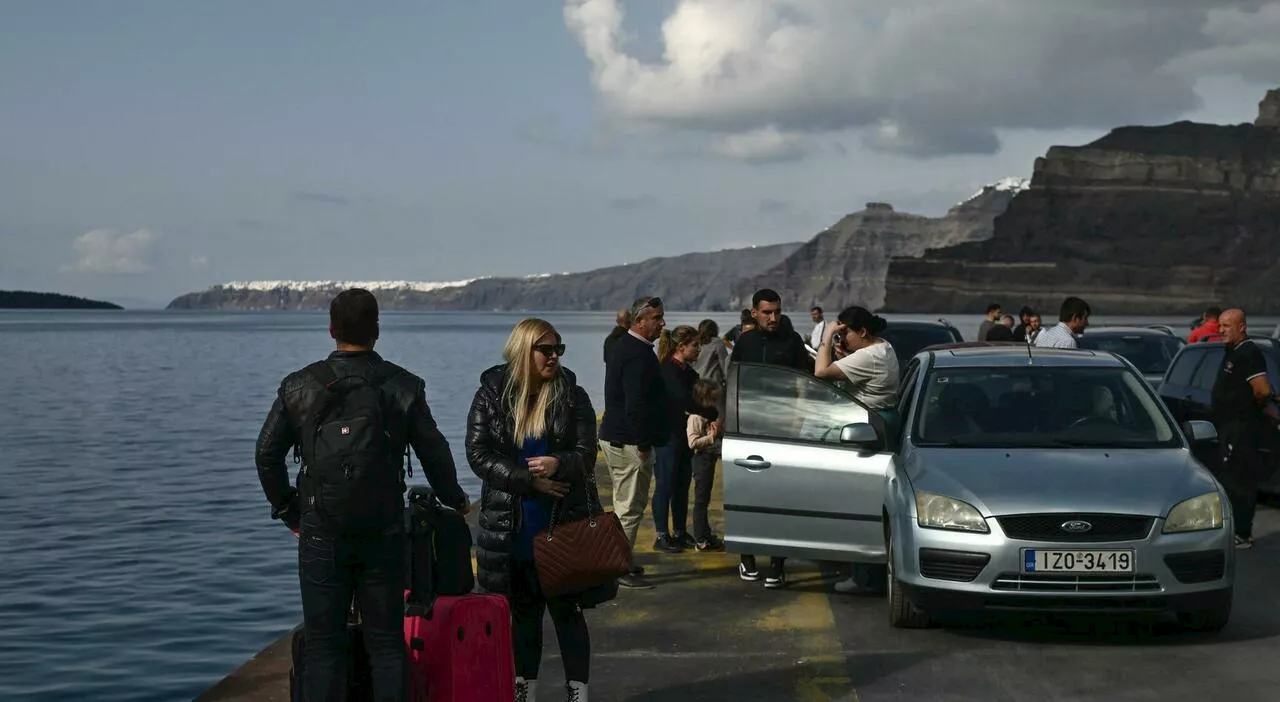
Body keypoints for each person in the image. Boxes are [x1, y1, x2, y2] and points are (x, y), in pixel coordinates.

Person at [254, 288, 470, 702]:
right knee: (387, 645)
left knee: (323, 648)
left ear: (331, 329)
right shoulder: (403, 386)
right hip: (383, 530)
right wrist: (454, 498)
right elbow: (434, 451)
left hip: (321, 530)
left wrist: (288, 511)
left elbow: (266, 455)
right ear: (377, 330)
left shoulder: (300, 386)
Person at [466, 318, 600, 702]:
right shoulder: (492, 393)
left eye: (559, 349)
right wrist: (528, 479)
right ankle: (524, 691)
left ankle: (578, 693)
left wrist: (560, 463)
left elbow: (587, 453)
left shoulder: (571, 393)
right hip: (513, 524)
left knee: (568, 614)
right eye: (546, 350)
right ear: (524, 350)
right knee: (523, 615)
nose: (554, 357)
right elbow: (478, 454)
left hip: (562, 522)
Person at [814, 306, 902, 593]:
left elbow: (820, 371)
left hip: (868, 433)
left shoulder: (868, 356)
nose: (843, 339)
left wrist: (826, 336)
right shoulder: (883, 348)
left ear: (862, 331)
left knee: (860, 505)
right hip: (881, 428)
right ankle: (866, 571)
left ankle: (864, 578)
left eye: (845, 333)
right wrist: (845, 356)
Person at [730, 288, 814, 587]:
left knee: (781, 496)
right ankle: (747, 557)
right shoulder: (745, 342)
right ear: (754, 312)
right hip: (748, 429)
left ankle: (778, 564)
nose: (773, 317)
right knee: (745, 494)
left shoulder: (791, 342)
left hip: (782, 430)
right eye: (767, 312)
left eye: (777, 311)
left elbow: (806, 384)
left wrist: (799, 421)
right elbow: (734, 383)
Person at [598, 296, 668, 589]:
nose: (662, 324)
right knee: (629, 507)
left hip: (617, 436)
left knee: (623, 504)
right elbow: (635, 403)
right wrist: (643, 442)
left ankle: (620, 561)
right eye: (657, 318)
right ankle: (619, 568)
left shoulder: (626, 347)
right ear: (639, 321)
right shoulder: (637, 354)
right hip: (628, 440)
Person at [1211, 309, 1278, 550]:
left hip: (1241, 428)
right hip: (1228, 425)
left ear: (1242, 327)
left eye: (1227, 326)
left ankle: (1242, 533)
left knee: (1240, 479)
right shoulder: (1233, 352)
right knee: (1229, 477)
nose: (1221, 331)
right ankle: (1233, 529)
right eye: (1220, 326)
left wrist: (1252, 408)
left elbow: (1262, 390)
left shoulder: (1249, 353)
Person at [652, 326, 718, 553]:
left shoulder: (688, 373)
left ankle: (679, 531)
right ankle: (662, 534)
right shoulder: (668, 371)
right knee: (665, 485)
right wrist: (710, 414)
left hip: (682, 437)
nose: (699, 349)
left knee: (681, 485)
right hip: (668, 437)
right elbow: (684, 401)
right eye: (695, 346)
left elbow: (696, 400)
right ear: (681, 347)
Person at [687, 379, 725, 552]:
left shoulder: (710, 414)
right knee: (701, 500)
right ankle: (700, 537)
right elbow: (692, 442)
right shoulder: (695, 417)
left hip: (710, 458)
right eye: (712, 399)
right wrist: (711, 437)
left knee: (706, 498)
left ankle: (706, 534)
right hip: (701, 459)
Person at [692, 319, 729, 388]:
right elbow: (724, 364)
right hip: (712, 382)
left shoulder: (694, 342)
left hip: (696, 382)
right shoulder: (717, 342)